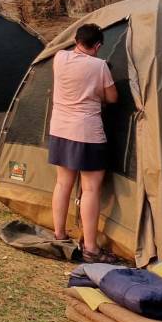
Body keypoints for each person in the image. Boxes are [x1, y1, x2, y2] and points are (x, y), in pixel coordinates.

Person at [49, 23, 119, 262]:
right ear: (97, 46)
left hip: (59, 129)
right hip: (87, 133)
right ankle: (91, 248)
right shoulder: (99, 66)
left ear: (76, 40)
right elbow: (112, 97)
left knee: (62, 183)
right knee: (90, 189)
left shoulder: (59, 57)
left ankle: (59, 235)